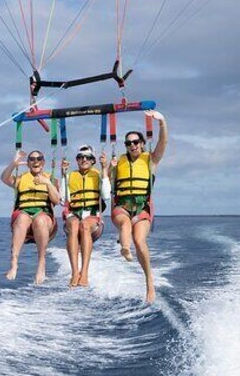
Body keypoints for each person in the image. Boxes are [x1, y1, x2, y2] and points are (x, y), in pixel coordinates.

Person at [110, 110, 168, 303]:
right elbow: (107, 183)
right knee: (125, 225)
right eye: (128, 143)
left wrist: (161, 123)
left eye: (136, 142)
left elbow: (162, 144)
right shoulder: (118, 162)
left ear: (142, 144)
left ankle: (149, 282)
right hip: (122, 206)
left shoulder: (150, 159)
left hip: (143, 207)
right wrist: (106, 167)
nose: (132, 145)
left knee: (140, 240)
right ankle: (124, 248)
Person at [0, 149, 60, 284]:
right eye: (32, 159)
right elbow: (4, 178)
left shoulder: (51, 179)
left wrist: (47, 183)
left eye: (39, 158)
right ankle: (14, 263)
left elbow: (56, 200)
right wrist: (13, 164)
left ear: (43, 162)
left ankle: (41, 263)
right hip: (24, 214)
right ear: (28, 163)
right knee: (22, 218)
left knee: (40, 220)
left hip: (43, 215)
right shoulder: (21, 178)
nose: (36, 161)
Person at [61, 145, 111, 288]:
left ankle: (84, 272)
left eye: (88, 157)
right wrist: (63, 175)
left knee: (84, 225)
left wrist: (104, 170)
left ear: (93, 160)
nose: (84, 159)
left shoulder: (98, 174)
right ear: (77, 160)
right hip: (74, 215)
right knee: (75, 225)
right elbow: (62, 198)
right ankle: (75, 272)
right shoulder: (70, 176)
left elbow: (106, 196)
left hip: (92, 215)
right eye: (80, 157)